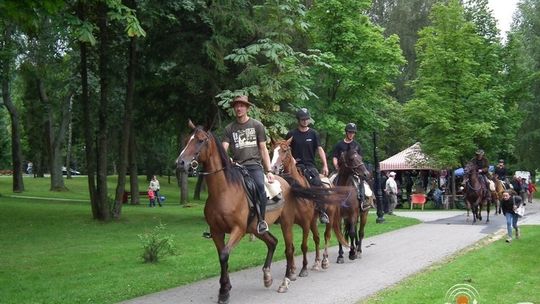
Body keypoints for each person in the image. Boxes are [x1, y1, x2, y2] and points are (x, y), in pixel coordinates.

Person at [223, 95, 274, 234]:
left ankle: (261, 220)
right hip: (237, 167)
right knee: (221, 187)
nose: (239, 108)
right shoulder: (229, 128)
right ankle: (217, 221)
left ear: (247, 108)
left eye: (242, 105)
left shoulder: (257, 125)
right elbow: (223, 149)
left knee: (259, 186)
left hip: (253, 165)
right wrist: (228, 159)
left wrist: (269, 170)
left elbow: (263, 149)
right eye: (236, 106)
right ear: (234, 108)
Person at [285, 108, 330, 224]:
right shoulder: (291, 134)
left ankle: (321, 211)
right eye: (302, 119)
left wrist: (325, 165)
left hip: (310, 166)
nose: (305, 121)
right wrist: (293, 160)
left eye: (306, 119)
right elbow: (286, 150)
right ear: (298, 120)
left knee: (318, 185)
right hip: (295, 166)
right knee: (284, 186)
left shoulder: (314, 134)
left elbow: (319, 149)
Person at [332, 123, 366, 205]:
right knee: (330, 180)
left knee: (362, 183)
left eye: (353, 132)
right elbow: (335, 156)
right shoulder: (339, 144)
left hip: (353, 171)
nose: (351, 134)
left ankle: (362, 200)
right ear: (346, 132)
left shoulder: (357, 145)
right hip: (341, 170)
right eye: (350, 132)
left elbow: (359, 159)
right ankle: (330, 200)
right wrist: (336, 165)